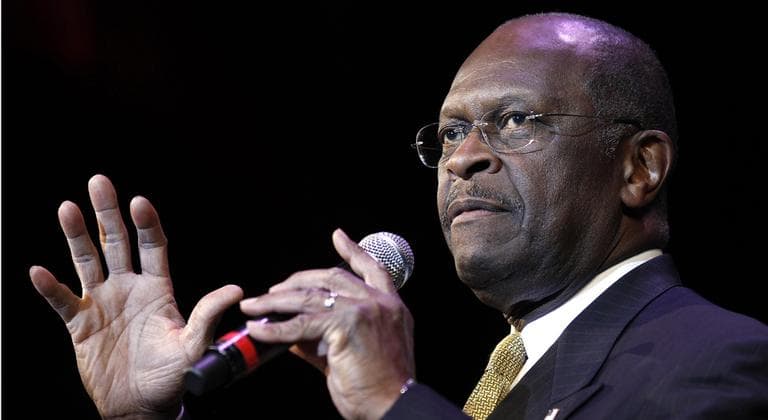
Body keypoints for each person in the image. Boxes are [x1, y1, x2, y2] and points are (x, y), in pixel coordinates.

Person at [29, 12, 768, 420]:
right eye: (449, 133)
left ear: (639, 168)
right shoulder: (511, 380)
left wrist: (394, 403)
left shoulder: (721, 362)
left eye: (515, 121)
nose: (462, 158)